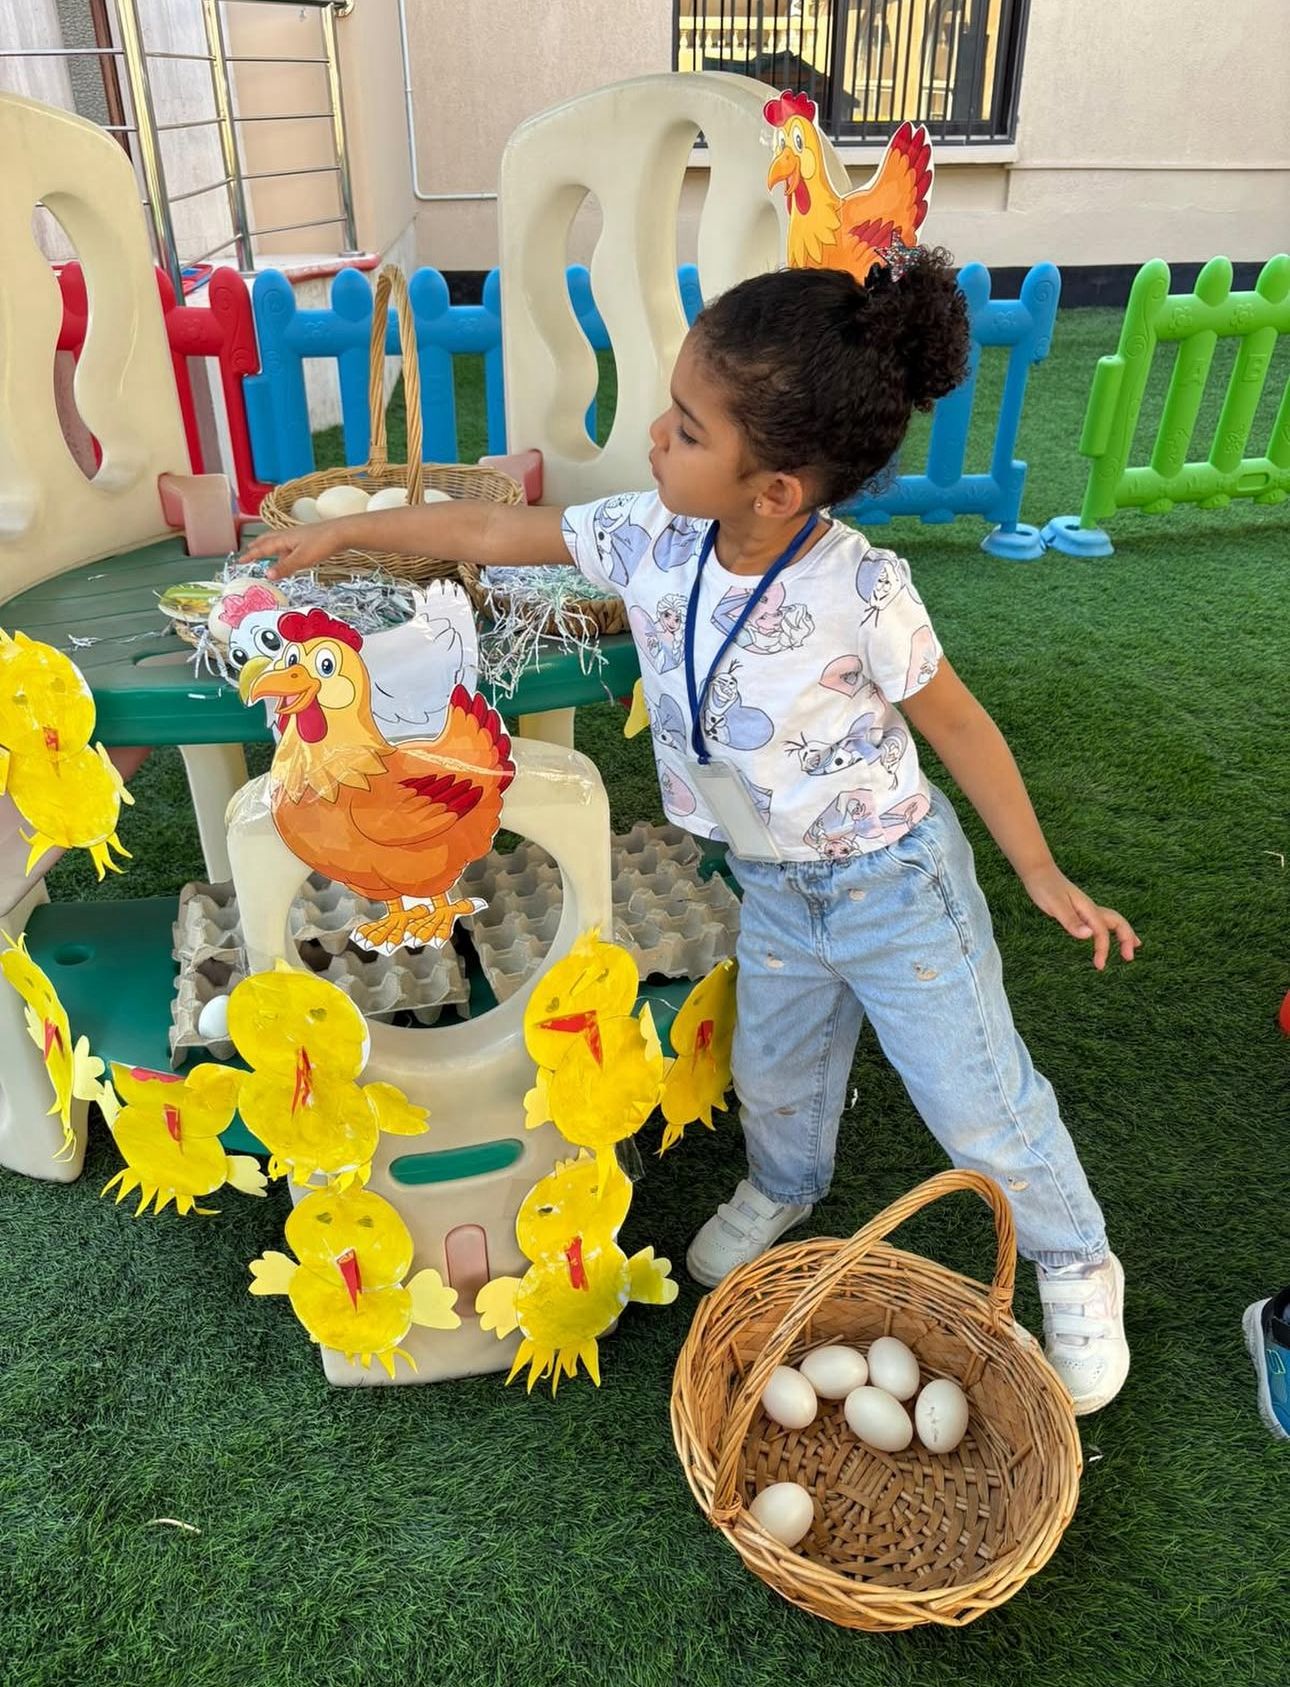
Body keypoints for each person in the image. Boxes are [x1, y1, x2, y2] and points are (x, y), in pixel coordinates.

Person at [241, 251, 1140, 1414]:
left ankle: (1074, 1256)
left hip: (891, 886)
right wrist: (347, 535)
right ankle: (784, 1185)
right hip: (770, 884)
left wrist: (1039, 866)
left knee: (975, 1099)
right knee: (774, 1070)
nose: (656, 438)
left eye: (686, 427)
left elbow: (958, 725)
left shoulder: (862, 590)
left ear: (776, 490)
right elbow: (494, 528)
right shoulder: (651, 535)